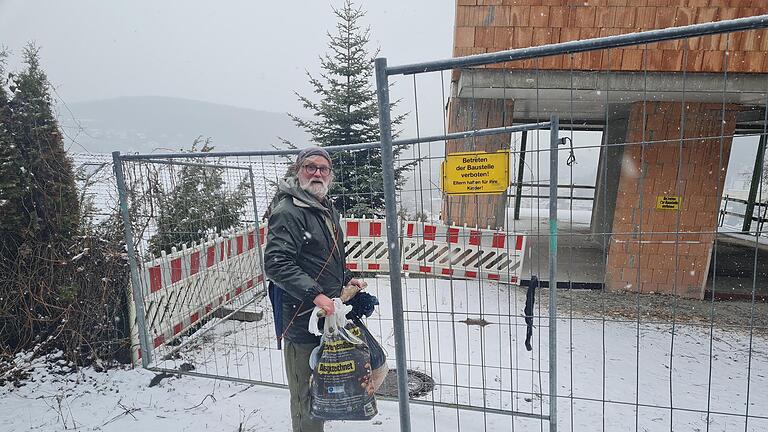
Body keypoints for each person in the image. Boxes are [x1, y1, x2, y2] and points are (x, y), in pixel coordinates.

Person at [264, 146, 366, 432]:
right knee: (306, 393)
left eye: (323, 168)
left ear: (330, 174)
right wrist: (316, 294)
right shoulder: (289, 210)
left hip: (326, 314)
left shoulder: (323, 205)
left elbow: (328, 256)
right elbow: (276, 264)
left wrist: (347, 278)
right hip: (301, 318)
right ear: (298, 171)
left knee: (323, 385)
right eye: (310, 167)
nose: (317, 173)